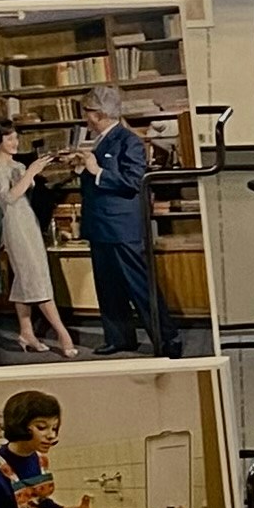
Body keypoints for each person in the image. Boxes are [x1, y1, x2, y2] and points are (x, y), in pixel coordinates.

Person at [77, 84, 164, 356]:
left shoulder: (129, 141)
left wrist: (96, 170)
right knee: (108, 289)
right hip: (100, 226)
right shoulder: (101, 140)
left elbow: (132, 182)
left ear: (99, 113)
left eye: (87, 112)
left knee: (140, 288)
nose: (85, 118)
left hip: (122, 228)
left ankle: (167, 341)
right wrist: (84, 169)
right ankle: (119, 338)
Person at [0, 116, 80, 357]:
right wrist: (31, 173)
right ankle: (63, 334)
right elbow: (8, 198)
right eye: (9, 138)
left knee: (26, 278)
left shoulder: (16, 166)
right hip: (16, 226)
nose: (15, 142)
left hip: (28, 223)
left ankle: (26, 332)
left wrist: (51, 165)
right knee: (35, 279)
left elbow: (32, 187)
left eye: (16, 137)